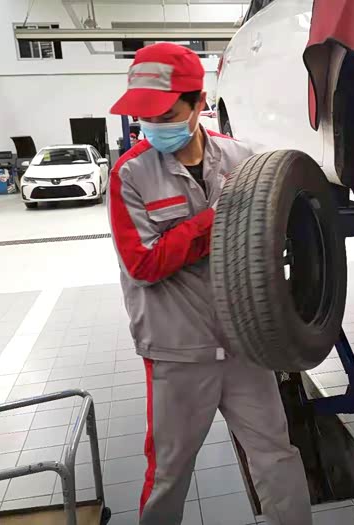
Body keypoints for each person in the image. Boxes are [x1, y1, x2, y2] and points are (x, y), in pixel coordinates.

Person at [108, 42, 312, 525]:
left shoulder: (243, 161)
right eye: (144, 116)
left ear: (199, 102)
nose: (152, 125)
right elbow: (144, 263)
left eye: (164, 114)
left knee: (275, 453)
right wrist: (220, 220)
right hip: (178, 352)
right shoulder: (129, 175)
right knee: (170, 471)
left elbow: (276, 240)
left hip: (245, 344)